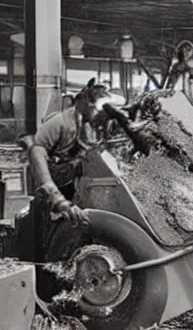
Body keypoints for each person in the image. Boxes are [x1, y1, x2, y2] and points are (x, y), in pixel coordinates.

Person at [26, 77, 143, 227]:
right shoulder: (60, 123)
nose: (98, 110)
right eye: (95, 100)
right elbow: (37, 154)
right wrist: (57, 199)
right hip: (62, 194)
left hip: (90, 192)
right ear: (82, 99)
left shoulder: (101, 126)